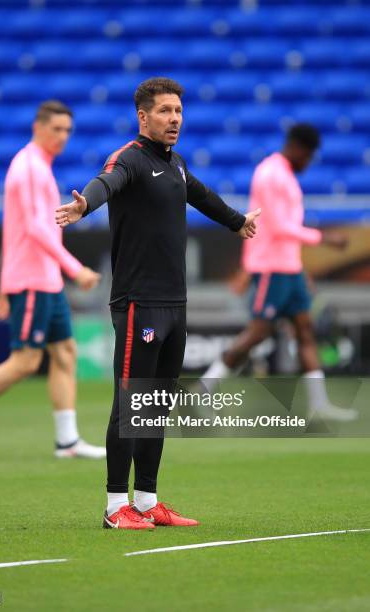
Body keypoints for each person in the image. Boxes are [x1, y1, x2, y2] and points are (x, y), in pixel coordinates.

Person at [55, 77, 260, 529]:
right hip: (138, 303)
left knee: (156, 403)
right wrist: (82, 206)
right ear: (143, 116)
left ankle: (146, 500)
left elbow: (202, 196)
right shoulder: (129, 158)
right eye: (166, 111)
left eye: (179, 112)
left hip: (174, 303)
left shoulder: (177, 166)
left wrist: (236, 222)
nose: (175, 119)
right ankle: (114, 508)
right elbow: (106, 183)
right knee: (130, 404)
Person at [0, 100, 106, 462]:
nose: (62, 137)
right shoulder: (28, 168)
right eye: (56, 129)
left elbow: (18, 228)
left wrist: (5, 287)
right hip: (33, 279)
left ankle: (67, 441)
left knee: (64, 352)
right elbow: (33, 229)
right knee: (26, 361)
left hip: (43, 279)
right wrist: (74, 268)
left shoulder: (39, 167)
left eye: (67, 131)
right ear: (38, 127)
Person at [201, 123, 357, 422]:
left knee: (305, 330)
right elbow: (279, 226)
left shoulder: (283, 174)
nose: (308, 164)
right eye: (309, 157)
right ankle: (204, 389)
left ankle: (319, 405)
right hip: (271, 267)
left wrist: (301, 268)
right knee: (259, 332)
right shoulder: (271, 174)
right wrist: (324, 238)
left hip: (289, 268)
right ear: (300, 149)